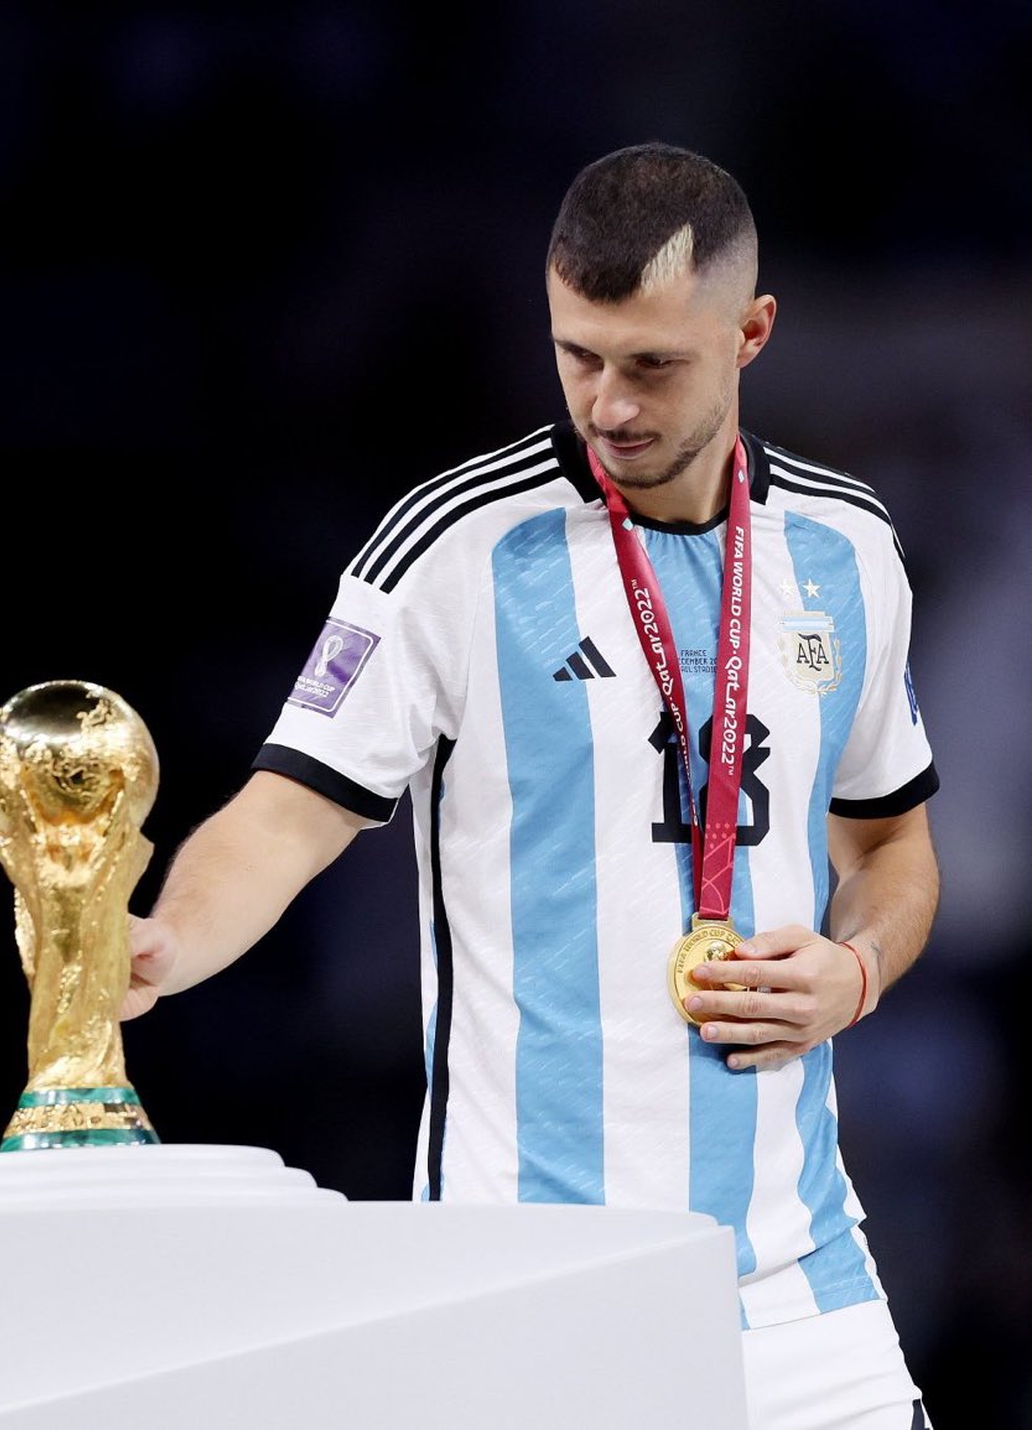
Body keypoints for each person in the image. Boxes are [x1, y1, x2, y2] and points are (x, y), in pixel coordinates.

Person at [123, 142, 940, 1429]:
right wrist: (167, 942)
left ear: (751, 334)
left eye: (651, 364)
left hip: (801, 1292)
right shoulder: (450, 548)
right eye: (578, 355)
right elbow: (285, 814)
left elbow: (891, 844)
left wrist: (860, 968)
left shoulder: (848, 548)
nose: (608, 403)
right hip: (529, 1289)